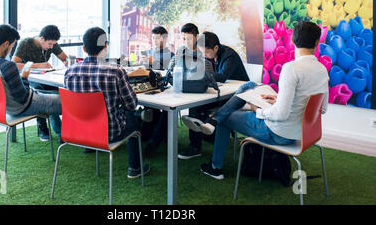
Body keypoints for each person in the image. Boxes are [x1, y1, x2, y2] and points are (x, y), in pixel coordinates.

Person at [197, 21, 329, 180]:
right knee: (250, 85)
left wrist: (257, 110)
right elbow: (322, 108)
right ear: (317, 42)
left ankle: (215, 166)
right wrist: (279, 99)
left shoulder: (291, 68)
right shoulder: (322, 70)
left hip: (280, 133)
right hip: (303, 133)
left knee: (226, 119)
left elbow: (281, 114)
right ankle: (213, 121)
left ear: (292, 41)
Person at [64, 27, 151, 178]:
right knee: (134, 116)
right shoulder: (115, 71)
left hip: (77, 131)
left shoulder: (70, 72)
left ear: (84, 48)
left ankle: (89, 146)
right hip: (109, 133)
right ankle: (135, 168)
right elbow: (131, 105)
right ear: (106, 47)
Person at [0, 24, 62, 141]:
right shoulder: (8, 66)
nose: (11, 50)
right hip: (24, 106)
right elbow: (22, 98)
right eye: (12, 46)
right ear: (6, 44)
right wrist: (24, 78)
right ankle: (72, 136)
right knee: (68, 101)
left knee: (49, 95)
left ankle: (62, 133)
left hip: (2, 109)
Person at [178, 30, 250, 159]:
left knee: (199, 107)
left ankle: (201, 137)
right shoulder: (210, 56)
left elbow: (222, 77)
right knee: (195, 106)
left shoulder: (230, 56)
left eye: (206, 52)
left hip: (237, 96)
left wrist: (200, 73)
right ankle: (196, 144)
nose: (204, 55)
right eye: (202, 52)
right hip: (222, 93)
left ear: (216, 47)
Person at [12, 25, 67, 141]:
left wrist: (70, 63)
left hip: (46, 77)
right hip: (29, 79)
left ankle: (63, 131)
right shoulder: (26, 43)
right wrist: (37, 65)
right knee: (48, 95)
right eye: (49, 44)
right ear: (42, 38)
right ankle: (53, 129)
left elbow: (64, 58)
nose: (51, 47)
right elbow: (14, 65)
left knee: (64, 93)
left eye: (53, 44)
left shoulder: (52, 44)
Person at [139, 26, 174, 157]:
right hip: (151, 88)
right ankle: (151, 132)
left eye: (157, 37)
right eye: (153, 37)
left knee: (164, 109)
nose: (154, 40)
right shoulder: (150, 53)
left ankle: (154, 140)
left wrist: (154, 65)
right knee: (148, 105)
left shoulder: (170, 55)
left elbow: (169, 74)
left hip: (166, 91)